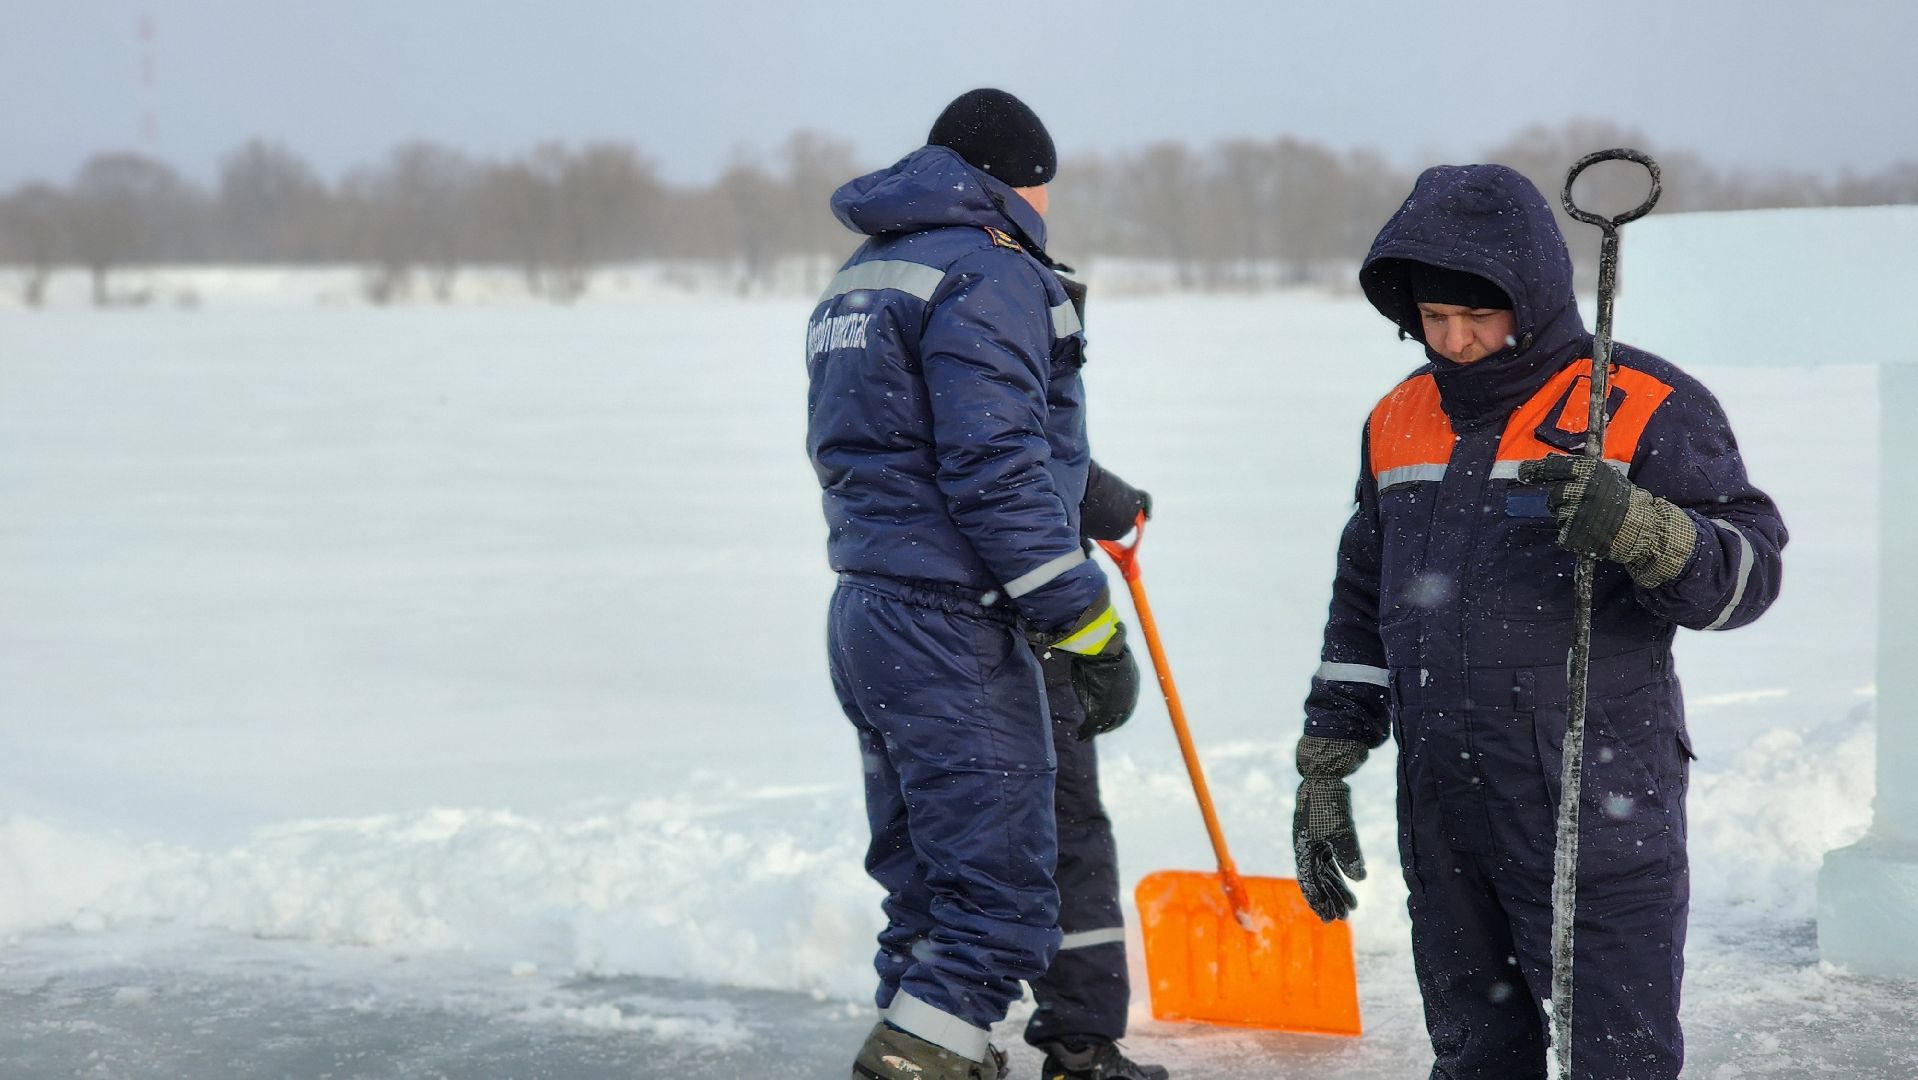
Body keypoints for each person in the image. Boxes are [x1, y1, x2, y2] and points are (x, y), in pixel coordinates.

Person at [1291, 163, 1786, 1079]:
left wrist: (1646, 530)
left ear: (1533, 298)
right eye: (1434, 317)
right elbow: (1364, 599)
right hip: (1444, 805)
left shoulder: (1638, 405)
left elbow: (1748, 578)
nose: (1456, 341)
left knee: (1618, 1058)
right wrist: (1330, 748)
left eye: (1478, 317)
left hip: (1593, 800)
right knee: (1476, 1054)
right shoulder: (1398, 417)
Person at [807, 89, 1161, 1080]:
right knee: (998, 902)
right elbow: (993, 469)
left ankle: (945, 1051)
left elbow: (910, 440)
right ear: (1018, 184)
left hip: (870, 609)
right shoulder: (990, 270)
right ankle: (919, 1065)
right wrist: (1088, 626)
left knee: (931, 888)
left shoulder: (867, 271)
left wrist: (1091, 493)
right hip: (955, 621)